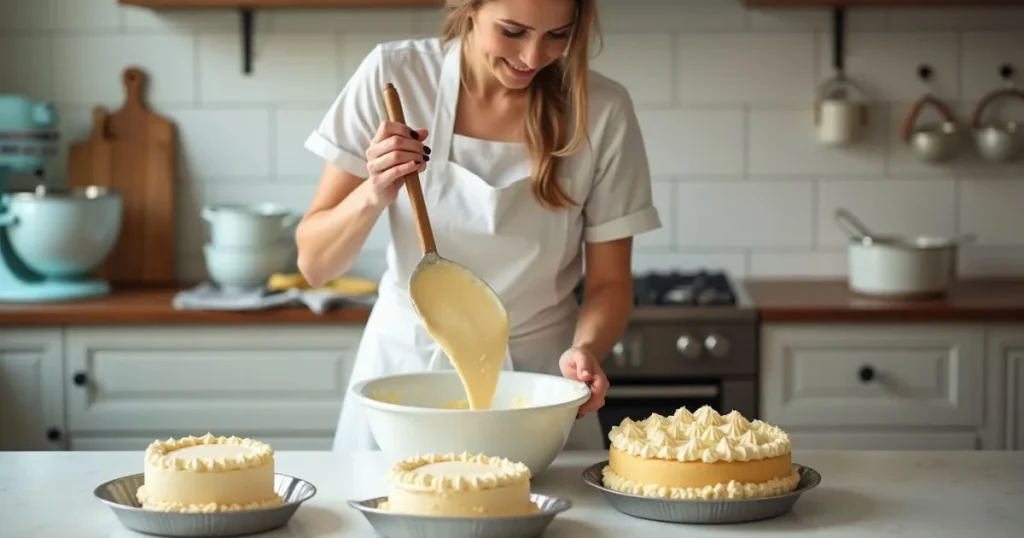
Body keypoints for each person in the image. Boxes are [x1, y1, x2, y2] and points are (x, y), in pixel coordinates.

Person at [297, 0, 661, 452]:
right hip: (405, 373)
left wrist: (585, 349)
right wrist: (374, 190)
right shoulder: (396, 74)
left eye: (557, 35)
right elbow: (314, 264)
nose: (531, 57)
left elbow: (610, 283)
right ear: (467, 8)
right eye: (512, 31)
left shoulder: (602, 109)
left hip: (541, 381)